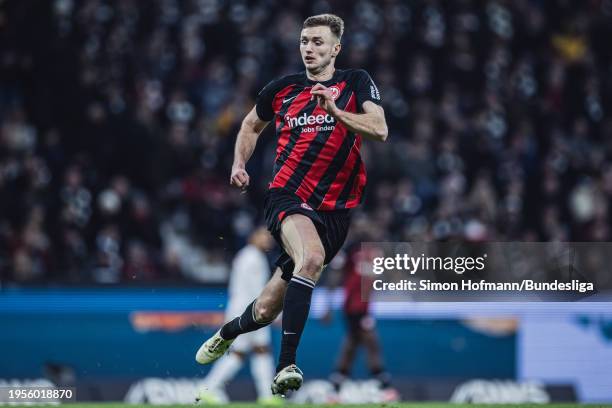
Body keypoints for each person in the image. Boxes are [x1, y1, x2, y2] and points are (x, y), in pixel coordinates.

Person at [196, 13, 388, 396]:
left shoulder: (355, 83)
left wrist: (335, 112)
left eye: (318, 42)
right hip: (288, 197)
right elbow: (251, 124)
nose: (309, 48)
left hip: (335, 212)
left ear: (336, 48)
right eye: (304, 41)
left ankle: (228, 332)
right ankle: (286, 365)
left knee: (266, 309)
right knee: (312, 259)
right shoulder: (282, 89)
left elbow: (379, 129)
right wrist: (238, 163)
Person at [196, 227, 279, 404]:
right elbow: (258, 291)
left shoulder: (246, 255)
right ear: (252, 236)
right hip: (249, 314)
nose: (267, 239)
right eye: (263, 235)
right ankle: (266, 395)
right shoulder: (253, 258)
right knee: (256, 350)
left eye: (269, 236)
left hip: (240, 311)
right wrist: (270, 313)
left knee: (246, 352)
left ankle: (209, 388)